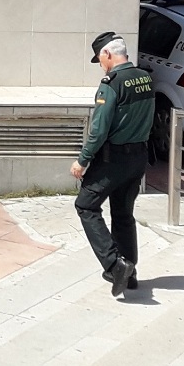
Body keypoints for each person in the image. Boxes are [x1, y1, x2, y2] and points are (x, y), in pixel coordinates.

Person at [71, 31, 154, 298]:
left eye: (100, 59)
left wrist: (82, 160)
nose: (101, 66)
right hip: (138, 157)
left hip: (112, 159)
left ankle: (114, 264)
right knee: (123, 215)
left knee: (85, 204)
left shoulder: (112, 82)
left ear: (107, 54)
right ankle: (131, 274)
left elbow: (99, 129)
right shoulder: (145, 77)